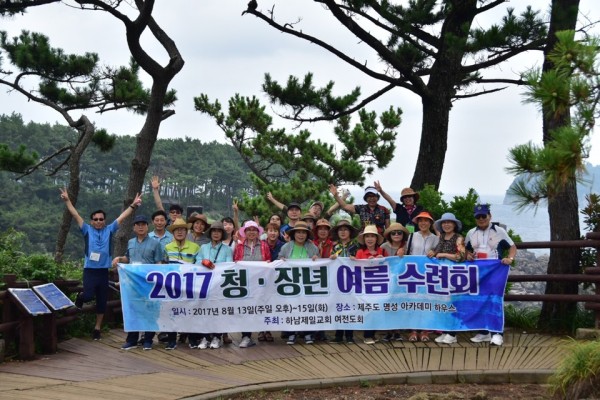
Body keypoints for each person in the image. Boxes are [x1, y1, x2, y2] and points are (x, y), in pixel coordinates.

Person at [59, 188, 142, 341]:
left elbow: (122, 217)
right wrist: (67, 200)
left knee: (102, 301)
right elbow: (75, 215)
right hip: (90, 271)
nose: (98, 221)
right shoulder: (86, 230)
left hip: (103, 271)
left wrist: (133, 205)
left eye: (101, 219)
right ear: (92, 221)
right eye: (96, 219)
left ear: (104, 220)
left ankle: (97, 328)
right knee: (88, 295)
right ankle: (80, 297)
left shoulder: (109, 230)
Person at [465, 204, 517, 347]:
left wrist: (510, 258)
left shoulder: (499, 231)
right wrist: (468, 256)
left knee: (494, 300)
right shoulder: (471, 233)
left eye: (484, 216)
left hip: (495, 271)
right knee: (479, 300)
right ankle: (483, 332)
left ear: (490, 216)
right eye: (478, 217)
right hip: (477, 272)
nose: (481, 219)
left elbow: (512, 247)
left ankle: (497, 334)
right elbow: (466, 250)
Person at [112, 215, 165, 351]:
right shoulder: (130, 242)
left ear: (147, 226)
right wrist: (119, 258)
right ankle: (131, 340)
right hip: (133, 283)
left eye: (143, 224)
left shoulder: (155, 243)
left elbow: (159, 263)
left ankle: (148, 340)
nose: (140, 227)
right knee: (133, 310)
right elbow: (128, 258)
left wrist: (158, 280)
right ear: (134, 227)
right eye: (138, 224)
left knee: (149, 311)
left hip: (148, 283)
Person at [188, 221, 234, 350]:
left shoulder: (227, 249)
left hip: (220, 285)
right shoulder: (203, 248)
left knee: (218, 311)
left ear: (222, 234)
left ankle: (217, 337)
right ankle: (205, 337)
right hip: (205, 284)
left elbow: (229, 265)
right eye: (214, 231)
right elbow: (196, 262)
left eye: (219, 231)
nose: (216, 233)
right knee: (205, 311)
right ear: (210, 233)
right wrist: (203, 262)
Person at [162, 218, 201, 350]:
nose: (179, 232)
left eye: (182, 230)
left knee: (190, 312)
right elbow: (163, 266)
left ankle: (192, 339)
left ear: (186, 231)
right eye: (176, 230)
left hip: (189, 285)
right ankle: (171, 340)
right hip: (172, 286)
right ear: (173, 232)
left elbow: (199, 267)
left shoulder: (195, 247)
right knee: (171, 312)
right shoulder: (167, 247)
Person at [279, 221, 319, 345]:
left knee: (308, 308)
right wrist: (281, 260)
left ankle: (308, 333)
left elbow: (319, 261)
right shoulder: (286, 247)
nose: (301, 235)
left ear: (307, 235)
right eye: (298, 232)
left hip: (308, 283)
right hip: (291, 283)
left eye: (303, 233)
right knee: (292, 308)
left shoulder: (312, 247)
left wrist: (316, 258)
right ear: (294, 234)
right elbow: (279, 259)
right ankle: (292, 333)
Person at [233, 220, 271, 348]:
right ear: (245, 232)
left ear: (258, 232)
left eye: (254, 230)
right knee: (245, 309)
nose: (251, 232)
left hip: (260, 284)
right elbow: (235, 262)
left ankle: (263, 331)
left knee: (260, 308)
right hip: (244, 284)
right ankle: (246, 336)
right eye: (248, 230)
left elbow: (269, 261)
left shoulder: (264, 245)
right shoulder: (239, 246)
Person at [430, 212, 465, 345]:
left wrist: (444, 254)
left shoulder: (458, 238)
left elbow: (461, 256)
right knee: (443, 303)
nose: (446, 225)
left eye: (449, 222)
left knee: (453, 302)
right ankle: (445, 330)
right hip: (441, 274)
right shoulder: (441, 237)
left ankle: (453, 333)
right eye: (444, 222)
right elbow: (436, 251)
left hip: (454, 273)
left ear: (454, 224)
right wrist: (433, 252)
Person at [404, 210, 439, 342]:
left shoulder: (435, 238)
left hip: (428, 274)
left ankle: (425, 330)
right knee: (413, 301)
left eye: (426, 221)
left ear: (430, 223)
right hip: (413, 274)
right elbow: (407, 252)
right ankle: (413, 330)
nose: (423, 223)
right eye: (421, 221)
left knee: (427, 301)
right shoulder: (412, 236)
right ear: (417, 223)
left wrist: (434, 252)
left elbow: (438, 252)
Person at [354, 224, 388, 344]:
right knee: (368, 310)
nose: (369, 239)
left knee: (376, 310)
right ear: (364, 239)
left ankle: (372, 335)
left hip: (379, 286)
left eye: (372, 236)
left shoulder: (383, 251)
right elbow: (356, 268)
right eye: (367, 236)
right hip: (364, 286)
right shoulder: (360, 252)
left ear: (376, 239)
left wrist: (382, 260)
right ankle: (367, 335)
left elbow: (390, 267)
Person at [329, 219, 359, 344]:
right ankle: (339, 334)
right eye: (340, 230)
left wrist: (355, 259)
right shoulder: (335, 247)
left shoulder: (356, 246)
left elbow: (361, 260)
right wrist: (331, 259)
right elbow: (330, 263)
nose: (343, 232)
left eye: (345, 229)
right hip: (338, 281)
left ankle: (350, 335)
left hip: (353, 281)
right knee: (339, 307)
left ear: (350, 232)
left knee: (350, 307)